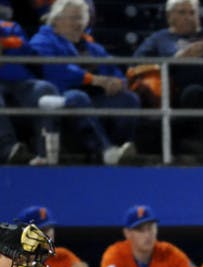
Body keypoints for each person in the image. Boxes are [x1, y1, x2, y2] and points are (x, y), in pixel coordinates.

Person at [134, 0, 203, 162]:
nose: (189, 17)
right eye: (182, 13)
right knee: (195, 93)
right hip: (190, 91)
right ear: (169, 17)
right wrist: (176, 59)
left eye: (193, 13)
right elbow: (137, 63)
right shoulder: (160, 39)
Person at [29, 0, 139, 165]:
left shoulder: (91, 47)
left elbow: (112, 68)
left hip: (94, 98)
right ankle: (104, 151)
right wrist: (92, 79)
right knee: (77, 97)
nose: (78, 23)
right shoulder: (42, 40)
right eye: (73, 18)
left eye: (82, 18)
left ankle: (119, 149)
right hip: (60, 95)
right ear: (56, 20)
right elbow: (53, 70)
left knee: (128, 99)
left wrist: (118, 82)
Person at [0, 0, 59, 164]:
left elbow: (25, 46)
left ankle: (45, 157)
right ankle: (8, 150)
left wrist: (1, 45)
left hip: (16, 84)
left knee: (44, 88)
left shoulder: (7, 26)